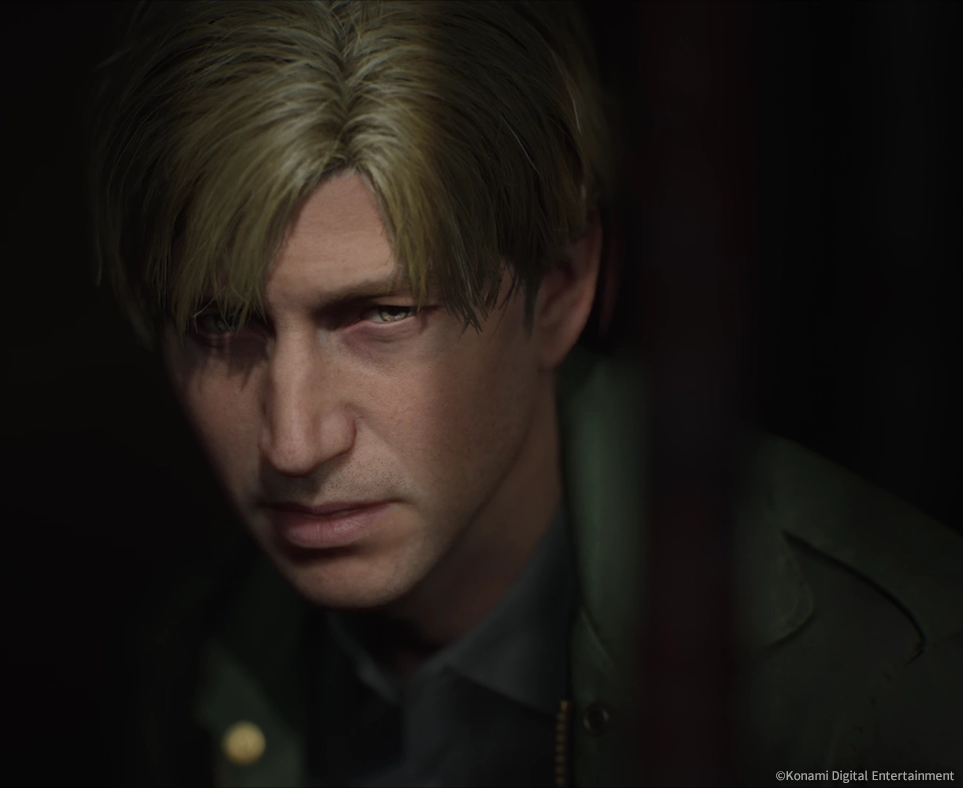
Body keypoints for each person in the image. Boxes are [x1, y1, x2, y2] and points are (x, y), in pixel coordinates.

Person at [86, 2, 962, 785]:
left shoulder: (883, 682)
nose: (293, 441)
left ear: (561, 289)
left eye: (385, 314)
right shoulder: (184, 654)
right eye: (216, 322)